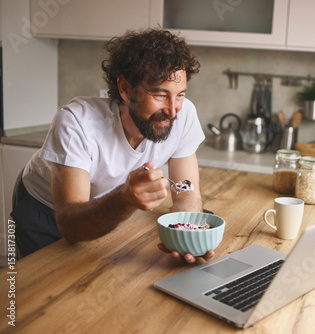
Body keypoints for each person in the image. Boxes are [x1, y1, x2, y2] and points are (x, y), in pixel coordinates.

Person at [11, 28, 213, 263]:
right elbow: (70, 226)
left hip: (102, 206)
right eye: (159, 95)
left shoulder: (184, 114)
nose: (172, 110)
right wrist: (124, 199)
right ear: (126, 89)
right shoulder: (77, 122)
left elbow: (185, 192)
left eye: (180, 95)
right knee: (43, 288)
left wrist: (188, 237)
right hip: (45, 209)